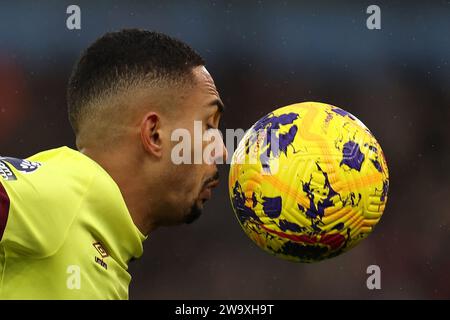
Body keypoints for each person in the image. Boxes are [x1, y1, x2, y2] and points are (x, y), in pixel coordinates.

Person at [0, 29, 227, 299]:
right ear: (154, 134)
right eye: (208, 127)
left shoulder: (102, 248)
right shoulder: (61, 195)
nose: (222, 151)